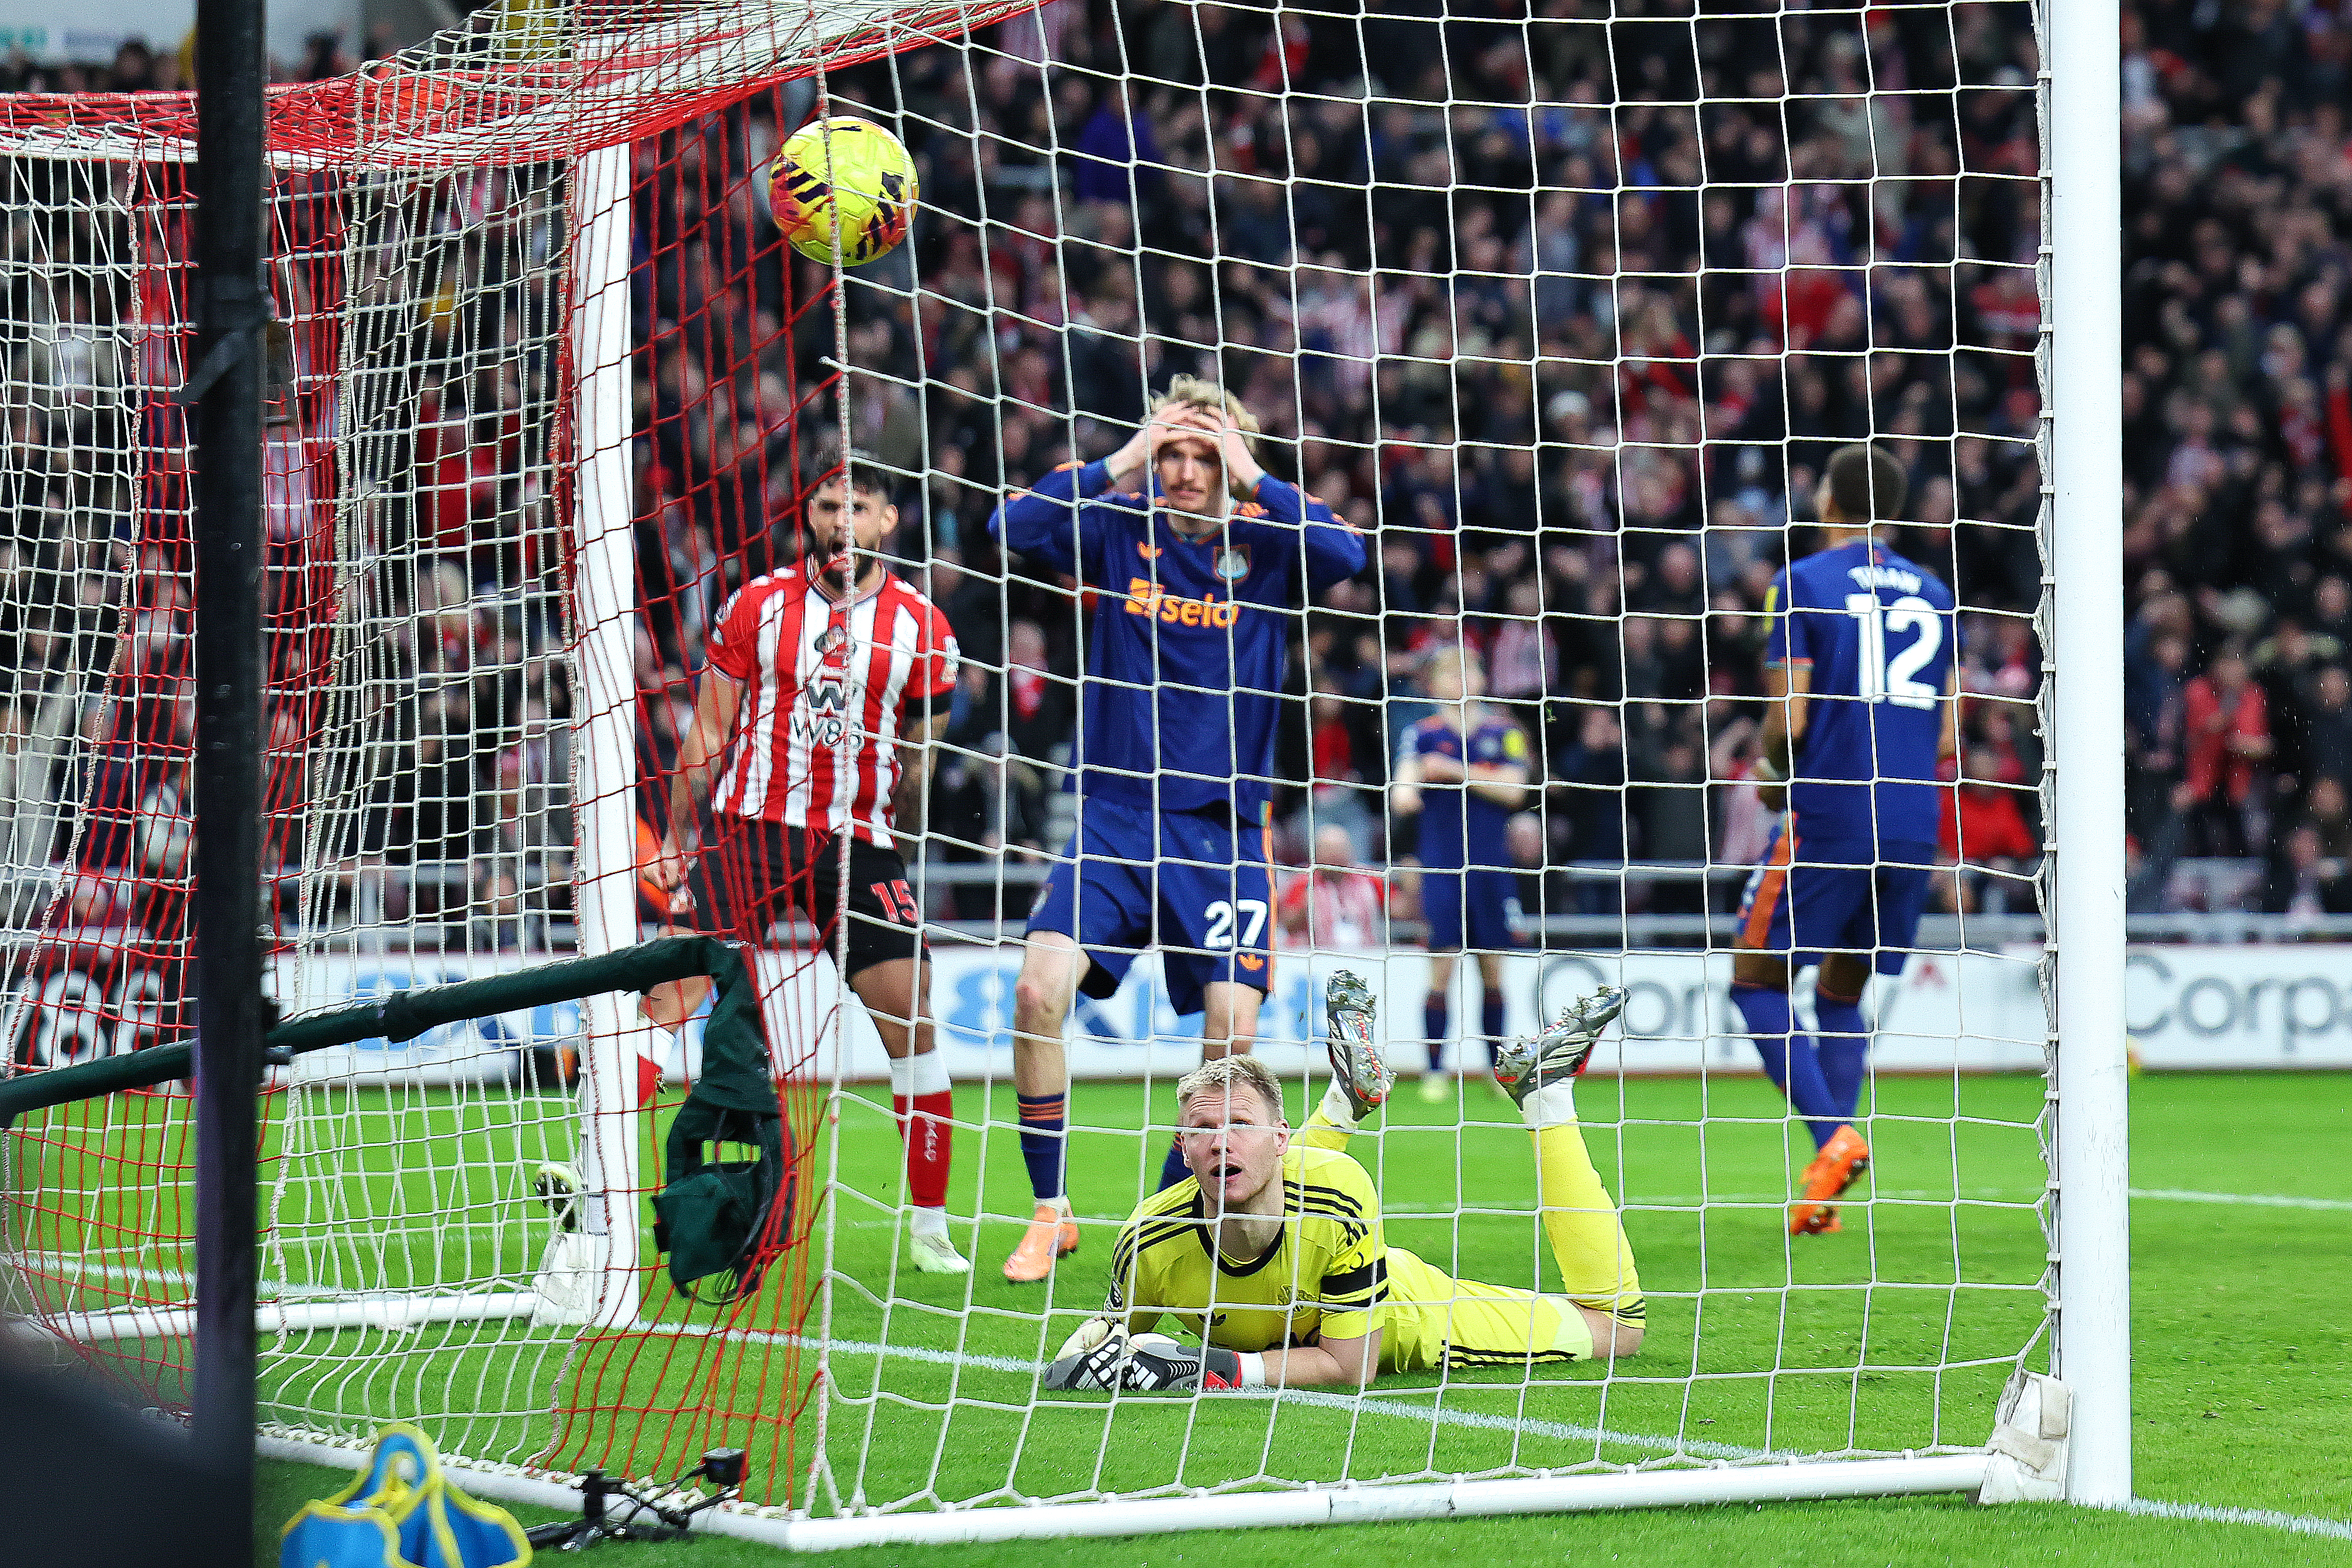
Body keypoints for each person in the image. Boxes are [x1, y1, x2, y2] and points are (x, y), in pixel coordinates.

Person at [987, 377, 1366, 1282]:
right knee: (1039, 990)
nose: (1188, 471)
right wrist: (1123, 456)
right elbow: (1011, 530)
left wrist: (1252, 471)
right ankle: (1050, 1210)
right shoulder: (1121, 527)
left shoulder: (1268, 546)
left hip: (1223, 833)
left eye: (1205, 455)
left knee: (1228, 1043)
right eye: (1175, 454)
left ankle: (1161, 1217)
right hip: (1114, 819)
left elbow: (1345, 552)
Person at [647, 451, 969, 1275]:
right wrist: (682, 838)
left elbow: (920, 753)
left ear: (887, 520)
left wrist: (903, 828)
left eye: (857, 506)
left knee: (911, 1012)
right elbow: (712, 728)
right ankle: (595, 1188)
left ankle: (929, 1225)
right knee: (666, 993)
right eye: (827, 504)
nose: (839, 521)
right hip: (748, 828)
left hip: (856, 844)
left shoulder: (923, 628)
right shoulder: (756, 602)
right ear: (808, 515)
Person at [1041, 978, 1645, 1391]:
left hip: (1408, 1314)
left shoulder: (1340, 1192)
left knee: (1617, 1330)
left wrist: (1209, 1366)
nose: (1220, 1142)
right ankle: (1341, 1106)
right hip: (1310, 1249)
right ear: (1181, 1148)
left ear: (1281, 1136)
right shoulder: (1148, 1238)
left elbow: (1349, 1368)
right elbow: (1099, 1346)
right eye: (1202, 1130)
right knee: (1275, 1181)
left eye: (1239, 1124)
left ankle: (1544, 1098)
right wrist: (1077, 1363)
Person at [1732, 443, 1957, 1236]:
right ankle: (1822, 1187)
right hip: (1910, 820)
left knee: (1755, 984)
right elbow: (1946, 731)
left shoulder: (1798, 583)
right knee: (1839, 993)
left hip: (1829, 811)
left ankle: (1832, 1137)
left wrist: (1767, 765)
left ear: (1828, 498)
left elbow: (1788, 717)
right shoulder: (1934, 591)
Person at [1389, 646, 1532, 1100]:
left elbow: (1515, 791)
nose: (1461, 678)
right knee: (1441, 969)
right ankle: (1435, 1070)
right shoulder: (1422, 733)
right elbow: (1402, 793)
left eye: (1468, 669)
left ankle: (1494, 1070)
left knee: (1493, 972)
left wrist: (1453, 771)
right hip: (1442, 866)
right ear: (1433, 683)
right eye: (1451, 672)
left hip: (1491, 868)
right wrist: (1412, 785)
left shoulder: (1504, 732)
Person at [1276, 824, 1388, 949]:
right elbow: (1287, 925)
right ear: (1316, 854)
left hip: (1365, 952)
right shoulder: (1304, 881)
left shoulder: (1369, 878)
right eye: (1328, 852)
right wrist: (1306, 905)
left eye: (1338, 852)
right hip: (1317, 954)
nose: (1333, 859)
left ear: (1349, 853)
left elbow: (1401, 911)